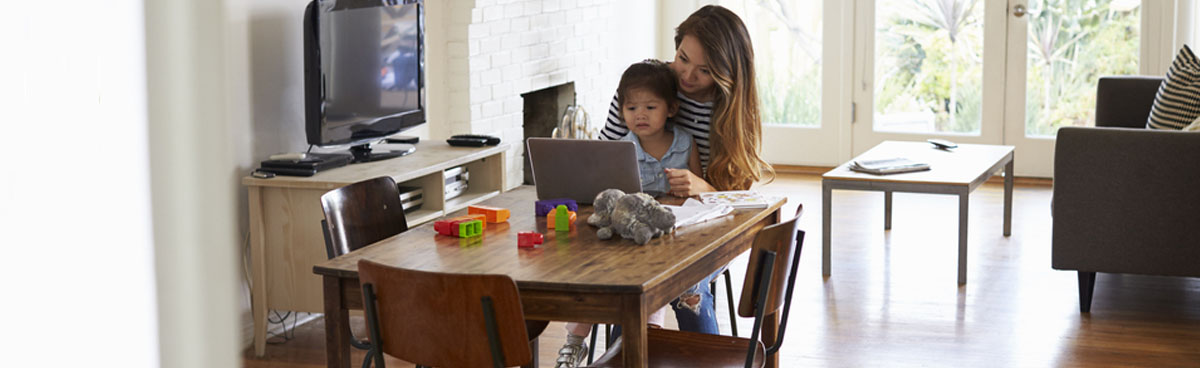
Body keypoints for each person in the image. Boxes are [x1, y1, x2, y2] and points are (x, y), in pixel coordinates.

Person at [557, 6, 774, 366]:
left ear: (726, 73)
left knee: (687, 286)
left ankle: (708, 360)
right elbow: (604, 154)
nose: (687, 75)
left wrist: (701, 185)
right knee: (630, 280)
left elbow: (739, 202)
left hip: (707, 231)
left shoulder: (731, 110)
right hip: (643, 225)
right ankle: (623, 357)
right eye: (682, 58)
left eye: (704, 70)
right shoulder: (646, 88)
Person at [555, 59, 701, 368]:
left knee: (650, 282)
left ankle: (646, 341)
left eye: (650, 107)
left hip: (669, 238)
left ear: (671, 109)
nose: (640, 115)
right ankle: (573, 343)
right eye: (632, 108)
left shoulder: (686, 144)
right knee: (595, 277)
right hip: (627, 238)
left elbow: (698, 194)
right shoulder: (621, 148)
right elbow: (610, 196)